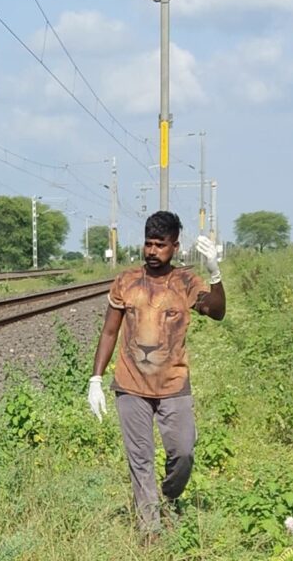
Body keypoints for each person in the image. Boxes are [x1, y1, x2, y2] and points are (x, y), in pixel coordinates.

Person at [87, 210, 227, 535]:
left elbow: (217, 312)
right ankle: (149, 531)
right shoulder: (126, 281)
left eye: (160, 245)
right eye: (148, 244)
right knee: (140, 460)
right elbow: (109, 332)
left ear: (174, 247)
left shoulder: (186, 282)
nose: (152, 251)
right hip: (130, 384)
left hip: (173, 384)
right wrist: (95, 378)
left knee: (183, 452)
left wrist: (215, 273)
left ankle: (168, 497)